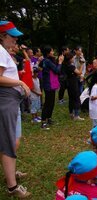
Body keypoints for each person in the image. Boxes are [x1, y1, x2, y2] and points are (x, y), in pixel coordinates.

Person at [0, 20, 31, 198]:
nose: (16, 40)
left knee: (14, 140)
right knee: (9, 142)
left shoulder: (5, 52)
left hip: (12, 100)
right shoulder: (0, 51)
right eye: (13, 36)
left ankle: (10, 171)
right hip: (6, 100)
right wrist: (19, 82)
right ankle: (12, 186)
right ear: (2, 36)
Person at [40, 45, 64, 129]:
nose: (53, 52)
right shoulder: (47, 61)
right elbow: (57, 70)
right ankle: (43, 122)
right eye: (52, 51)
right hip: (48, 84)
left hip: (51, 84)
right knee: (47, 103)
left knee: (52, 102)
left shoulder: (47, 60)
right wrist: (60, 62)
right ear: (48, 53)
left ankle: (49, 119)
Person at [64, 52, 84, 121]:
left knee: (71, 98)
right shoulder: (71, 66)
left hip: (69, 83)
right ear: (70, 59)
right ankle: (76, 115)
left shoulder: (65, 65)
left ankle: (71, 113)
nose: (73, 58)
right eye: (72, 57)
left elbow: (75, 71)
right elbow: (79, 72)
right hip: (73, 83)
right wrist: (81, 65)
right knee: (76, 98)